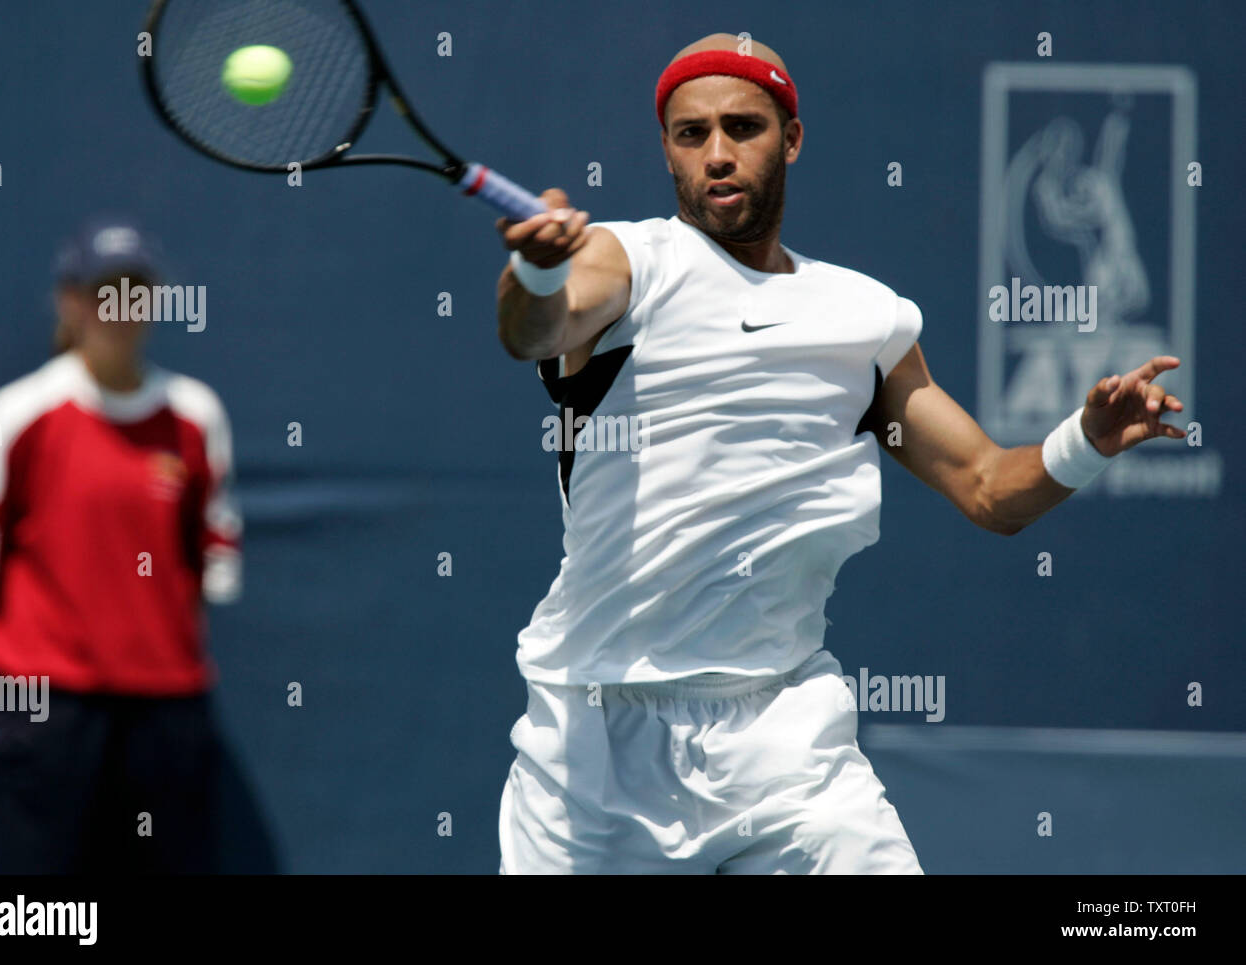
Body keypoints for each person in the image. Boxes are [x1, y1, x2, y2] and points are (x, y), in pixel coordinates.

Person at [492, 34, 1185, 874]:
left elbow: (989, 489)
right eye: (690, 133)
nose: (716, 155)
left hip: (785, 738)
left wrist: (1087, 441)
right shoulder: (629, 259)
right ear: (666, 150)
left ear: (791, 138)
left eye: (742, 128)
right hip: (595, 746)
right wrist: (532, 274)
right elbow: (536, 332)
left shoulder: (865, 318)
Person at [0, 216, 243, 873]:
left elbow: (205, 570)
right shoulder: (17, 415)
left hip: (166, 713)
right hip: (46, 710)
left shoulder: (196, 416)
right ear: (70, 302)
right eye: (105, 291)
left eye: (137, 291)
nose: (122, 309)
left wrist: (157, 658)